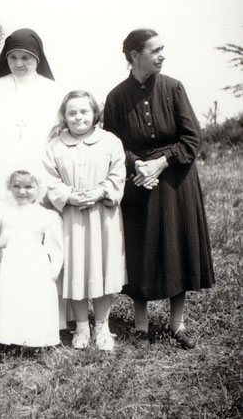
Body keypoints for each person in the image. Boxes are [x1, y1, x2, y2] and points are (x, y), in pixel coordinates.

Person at [103, 29, 214, 350]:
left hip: (175, 180)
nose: (162, 55)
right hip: (138, 182)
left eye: (162, 49)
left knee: (177, 246)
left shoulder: (173, 88)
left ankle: (177, 324)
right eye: (155, 50)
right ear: (134, 55)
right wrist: (137, 164)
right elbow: (112, 144)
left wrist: (161, 162)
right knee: (140, 249)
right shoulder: (116, 97)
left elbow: (192, 138)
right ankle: (141, 326)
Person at [43, 91, 127, 351]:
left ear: (95, 114)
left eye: (84, 111)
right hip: (71, 215)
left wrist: (101, 192)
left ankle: (102, 326)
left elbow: (118, 174)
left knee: (102, 266)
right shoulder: (55, 145)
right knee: (75, 267)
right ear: (64, 116)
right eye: (72, 113)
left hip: (103, 214)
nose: (78, 117)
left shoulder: (110, 141)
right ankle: (81, 327)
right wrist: (68, 196)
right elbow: (49, 179)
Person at [0, 167, 63, 348]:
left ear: (39, 188)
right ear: (8, 187)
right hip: (8, 263)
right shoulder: (1, 209)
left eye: (28, 187)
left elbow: (55, 246)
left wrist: (54, 268)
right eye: (16, 186)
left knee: (31, 298)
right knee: (6, 297)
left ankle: (31, 338)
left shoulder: (46, 216)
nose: (22, 192)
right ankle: (3, 337)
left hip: (34, 264)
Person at [0, 28, 64, 198]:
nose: (18, 64)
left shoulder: (54, 92)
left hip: (41, 174)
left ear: (37, 58)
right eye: (13, 57)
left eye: (25, 57)